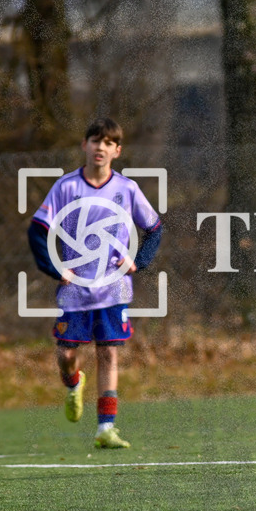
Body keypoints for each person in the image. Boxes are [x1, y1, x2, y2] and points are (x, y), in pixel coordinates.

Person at [27, 118, 162, 449]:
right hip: (75, 291)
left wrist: (138, 261)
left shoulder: (127, 189)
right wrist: (53, 268)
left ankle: (106, 427)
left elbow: (155, 228)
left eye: (107, 143)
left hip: (114, 290)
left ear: (117, 151)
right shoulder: (67, 187)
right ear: (84, 146)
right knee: (65, 353)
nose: (100, 147)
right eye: (94, 141)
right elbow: (37, 230)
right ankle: (73, 384)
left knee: (109, 354)